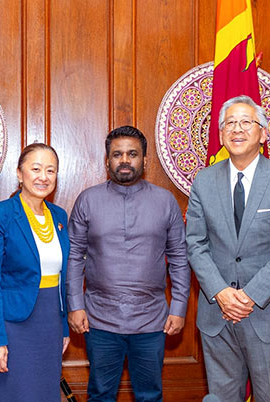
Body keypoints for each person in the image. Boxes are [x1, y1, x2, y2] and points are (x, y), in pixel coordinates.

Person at [186, 95, 270, 401]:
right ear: (221, 134)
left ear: (263, 133)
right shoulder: (204, 181)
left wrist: (249, 296)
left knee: (269, 396)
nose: (237, 129)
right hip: (218, 313)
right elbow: (195, 243)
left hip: (268, 312)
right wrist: (220, 292)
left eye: (246, 122)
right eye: (230, 123)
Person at [66, 125, 190, 402]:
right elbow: (74, 256)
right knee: (100, 394)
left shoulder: (165, 201)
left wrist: (179, 307)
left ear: (144, 160)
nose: (124, 160)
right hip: (99, 319)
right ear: (107, 160)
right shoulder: (88, 200)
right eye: (117, 154)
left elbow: (180, 258)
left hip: (151, 319)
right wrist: (75, 305)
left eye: (132, 154)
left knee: (149, 395)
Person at [0, 143, 70, 401]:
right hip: (12, 324)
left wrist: (63, 325)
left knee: (46, 394)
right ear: (20, 174)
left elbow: (63, 279)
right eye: (36, 168)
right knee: (14, 393)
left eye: (50, 171)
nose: (43, 177)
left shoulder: (59, 216)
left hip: (50, 321)